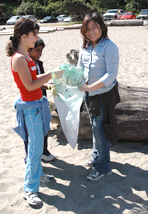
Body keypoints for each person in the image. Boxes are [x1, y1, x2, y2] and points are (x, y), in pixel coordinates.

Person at [6, 17, 64, 205]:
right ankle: (29, 189)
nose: (36, 37)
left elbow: (34, 78)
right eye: (34, 34)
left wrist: (48, 82)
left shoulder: (27, 56)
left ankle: (38, 175)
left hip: (37, 105)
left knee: (37, 147)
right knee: (34, 148)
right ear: (24, 36)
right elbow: (30, 86)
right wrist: (53, 74)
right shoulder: (19, 59)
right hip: (30, 109)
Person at [77, 12, 120, 181]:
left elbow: (111, 75)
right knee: (96, 128)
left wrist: (89, 87)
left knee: (100, 130)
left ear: (101, 27)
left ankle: (103, 167)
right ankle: (97, 156)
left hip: (103, 95)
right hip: (89, 95)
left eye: (94, 27)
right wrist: (75, 80)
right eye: (87, 29)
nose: (91, 31)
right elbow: (80, 68)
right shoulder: (85, 47)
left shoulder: (109, 47)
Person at [23, 38, 55, 163]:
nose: (39, 53)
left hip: (42, 98)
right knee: (34, 131)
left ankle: (44, 150)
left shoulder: (39, 63)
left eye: (41, 50)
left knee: (45, 125)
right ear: (29, 49)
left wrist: (50, 85)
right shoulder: (26, 64)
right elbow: (33, 82)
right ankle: (36, 155)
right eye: (37, 50)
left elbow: (42, 80)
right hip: (32, 101)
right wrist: (48, 85)